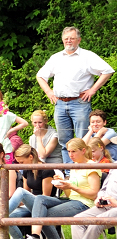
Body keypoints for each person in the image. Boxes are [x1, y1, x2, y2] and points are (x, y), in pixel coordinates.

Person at [36, 26, 114, 165]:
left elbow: (107, 70)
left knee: (82, 140)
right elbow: (41, 76)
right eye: (66, 38)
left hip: (80, 103)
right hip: (59, 104)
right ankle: (68, 172)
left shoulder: (87, 56)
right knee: (64, 141)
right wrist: (48, 91)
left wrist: (93, 89)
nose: (69, 41)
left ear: (79, 40)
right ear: (62, 40)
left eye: (72, 38)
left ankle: (83, 170)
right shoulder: (56, 58)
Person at [19, 138, 101, 239]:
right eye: (68, 151)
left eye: (73, 151)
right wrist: (64, 186)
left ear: (83, 150)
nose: (70, 155)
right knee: (40, 199)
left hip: (85, 204)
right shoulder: (73, 167)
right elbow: (70, 195)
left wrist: (72, 187)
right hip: (72, 200)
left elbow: (94, 194)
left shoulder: (91, 167)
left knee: (44, 214)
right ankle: (35, 236)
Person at [58, 168, 117, 239]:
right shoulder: (114, 166)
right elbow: (104, 188)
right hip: (106, 205)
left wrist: (116, 202)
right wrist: (99, 198)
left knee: (97, 222)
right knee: (77, 220)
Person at [7, 145, 57, 239]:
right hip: (31, 204)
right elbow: (26, 192)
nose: (20, 165)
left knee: (19, 191)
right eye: (18, 162)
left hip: (44, 204)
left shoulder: (46, 170)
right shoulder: (26, 170)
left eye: (22, 162)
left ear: (31, 157)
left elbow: (45, 197)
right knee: (7, 219)